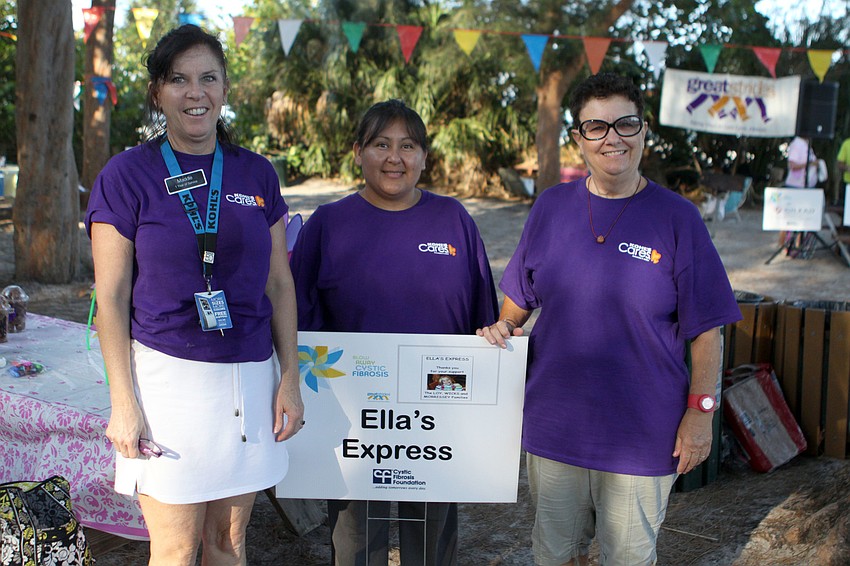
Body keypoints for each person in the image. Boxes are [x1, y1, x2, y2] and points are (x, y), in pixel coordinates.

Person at [477, 73, 741, 566]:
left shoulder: (677, 218)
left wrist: (701, 414)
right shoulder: (551, 208)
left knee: (627, 559)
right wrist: (503, 328)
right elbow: (518, 301)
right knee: (554, 555)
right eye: (595, 126)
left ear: (643, 132)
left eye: (625, 123)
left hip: (643, 432)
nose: (611, 137)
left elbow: (707, 329)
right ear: (578, 139)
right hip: (555, 427)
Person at [85, 25, 304, 565]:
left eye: (208, 78)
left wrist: (290, 377)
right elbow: (110, 297)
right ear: (158, 92)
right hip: (168, 387)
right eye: (179, 80)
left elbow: (280, 282)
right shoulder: (126, 175)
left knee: (229, 542)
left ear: (225, 88)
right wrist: (123, 404)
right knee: (178, 548)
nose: (195, 92)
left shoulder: (256, 172)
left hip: (250, 378)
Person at [290, 99, 498, 566]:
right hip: (352, 411)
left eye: (408, 146)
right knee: (355, 539)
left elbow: (481, 324)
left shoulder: (454, 221)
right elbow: (298, 318)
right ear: (358, 151)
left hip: (437, 407)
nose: (394, 157)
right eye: (381, 144)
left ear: (424, 157)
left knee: (431, 539)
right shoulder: (328, 224)